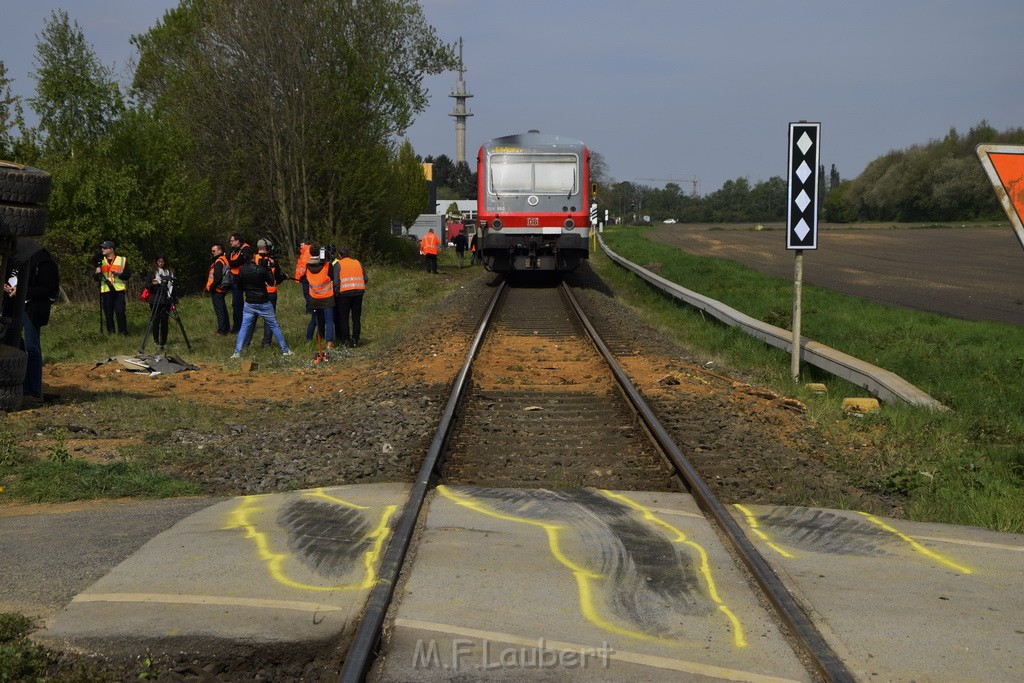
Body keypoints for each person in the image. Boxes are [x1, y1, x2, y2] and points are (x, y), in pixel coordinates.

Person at [17, 242, 59, 400]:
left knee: (32, 347)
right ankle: (21, 383)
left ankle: (33, 389)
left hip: (33, 308)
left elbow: (48, 289)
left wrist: (22, 291)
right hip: (18, 307)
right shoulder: (20, 264)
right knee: (14, 344)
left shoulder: (46, 265)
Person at [232, 250, 291, 358]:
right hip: (263, 302)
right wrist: (268, 269)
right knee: (274, 325)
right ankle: (285, 350)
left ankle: (237, 352)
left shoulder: (242, 270)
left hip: (249, 302)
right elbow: (271, 282)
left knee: (244, 327)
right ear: (253, 257)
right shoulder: (261, 270)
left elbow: (239, 287)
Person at [243, 239, 286, 348]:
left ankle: (245, 343)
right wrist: (284, 276)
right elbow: (277, 278)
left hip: (252, 293)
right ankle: (266, 343)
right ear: (267, 248)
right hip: (270, 293)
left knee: (250, 320)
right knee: (269, 320)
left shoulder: (253, 259)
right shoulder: (272, 260)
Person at [333, 246, 367, 348]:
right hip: (358, 292)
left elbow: (336, 282)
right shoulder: (357, 263)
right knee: (356, 317)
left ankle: (346, 340)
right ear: (349, 254)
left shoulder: (338, 264)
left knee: (344, 318)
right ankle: (356, 339)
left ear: (340, 255)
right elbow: (365, 278)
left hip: (344, 294)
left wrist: (337, 293)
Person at [95, 240, 130, 335]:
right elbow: (96, 278)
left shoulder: (122, 260)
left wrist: (120, 274)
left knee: (120, 312)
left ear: (111, 249)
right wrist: (97, 272)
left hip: (118, 290)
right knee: (108, 313)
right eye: (102, 248)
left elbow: (127, 275)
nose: (102, 249)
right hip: (106, 290)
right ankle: (111, 333)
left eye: (105, 248)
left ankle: (123, 332)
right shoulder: (100, 261)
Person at [305, 246, 335, 348]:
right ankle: (329, 343)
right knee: (329, 321)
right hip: (327, 297)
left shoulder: (307, 266)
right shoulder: (327, 265)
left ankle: (310, 340)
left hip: (314, 298)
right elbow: (332, 277)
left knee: (315, 321)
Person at [146, 254, 175, 349]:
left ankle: (164, 341)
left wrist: (172, 299)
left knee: (165, 321)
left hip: (166, 298)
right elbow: (147, 285)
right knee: (155, 320)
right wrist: (154, 284)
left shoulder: (169, 272)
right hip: (155, 299)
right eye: (159, 261)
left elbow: (172, 285)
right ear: (156, 262)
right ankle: (156, 340)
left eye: (162, 261)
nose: (161, 263)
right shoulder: (152, 272)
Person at [227, 233, 252, 333]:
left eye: (232, 240)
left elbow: (237, 262)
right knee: (236, 303)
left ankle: (241, 326)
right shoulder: (234, 250)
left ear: (238, 241)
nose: (230, 243)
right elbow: (230, 260)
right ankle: (238, 325)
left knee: (242, 303)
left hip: (243, 278)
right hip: (235, 278)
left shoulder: (246, 249)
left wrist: (230, 263)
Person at [206, 243, 230, 336]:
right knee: (223, 309)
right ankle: (226, 328)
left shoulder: (219, 261)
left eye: (214, 251)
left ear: (220, 251)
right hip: (223, 287)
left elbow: (218, 277)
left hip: (218, 289)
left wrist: (212, 288)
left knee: (219, 310)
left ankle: (222, 331)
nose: (212, 252)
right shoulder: (224, 259)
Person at [295, 239, 316, 341]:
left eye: (301, 244)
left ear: (306, 244)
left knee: (307, 294)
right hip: (308, 276)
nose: (300, 246)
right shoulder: (307, 251)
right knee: (308, 294)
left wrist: (299, 276)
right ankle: (310, 309)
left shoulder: (306, 252)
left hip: (306, 277)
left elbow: (303, 266)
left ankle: (311, 309)